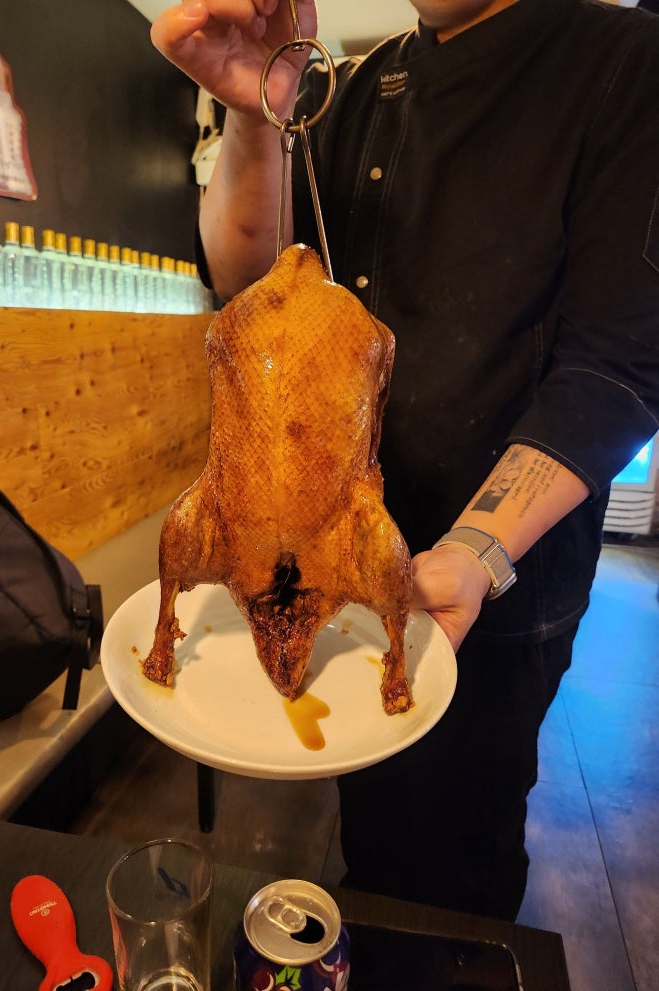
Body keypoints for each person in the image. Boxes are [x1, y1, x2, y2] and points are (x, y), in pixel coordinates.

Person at [151, 0, 659, 920]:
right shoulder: (348, 89)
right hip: (346, 575)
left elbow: (617, 366)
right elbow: (250, 284)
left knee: (457, 863)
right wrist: (255, 116)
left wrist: (476, 548)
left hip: (494, 587)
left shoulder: (623, 61)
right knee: (376, 832)